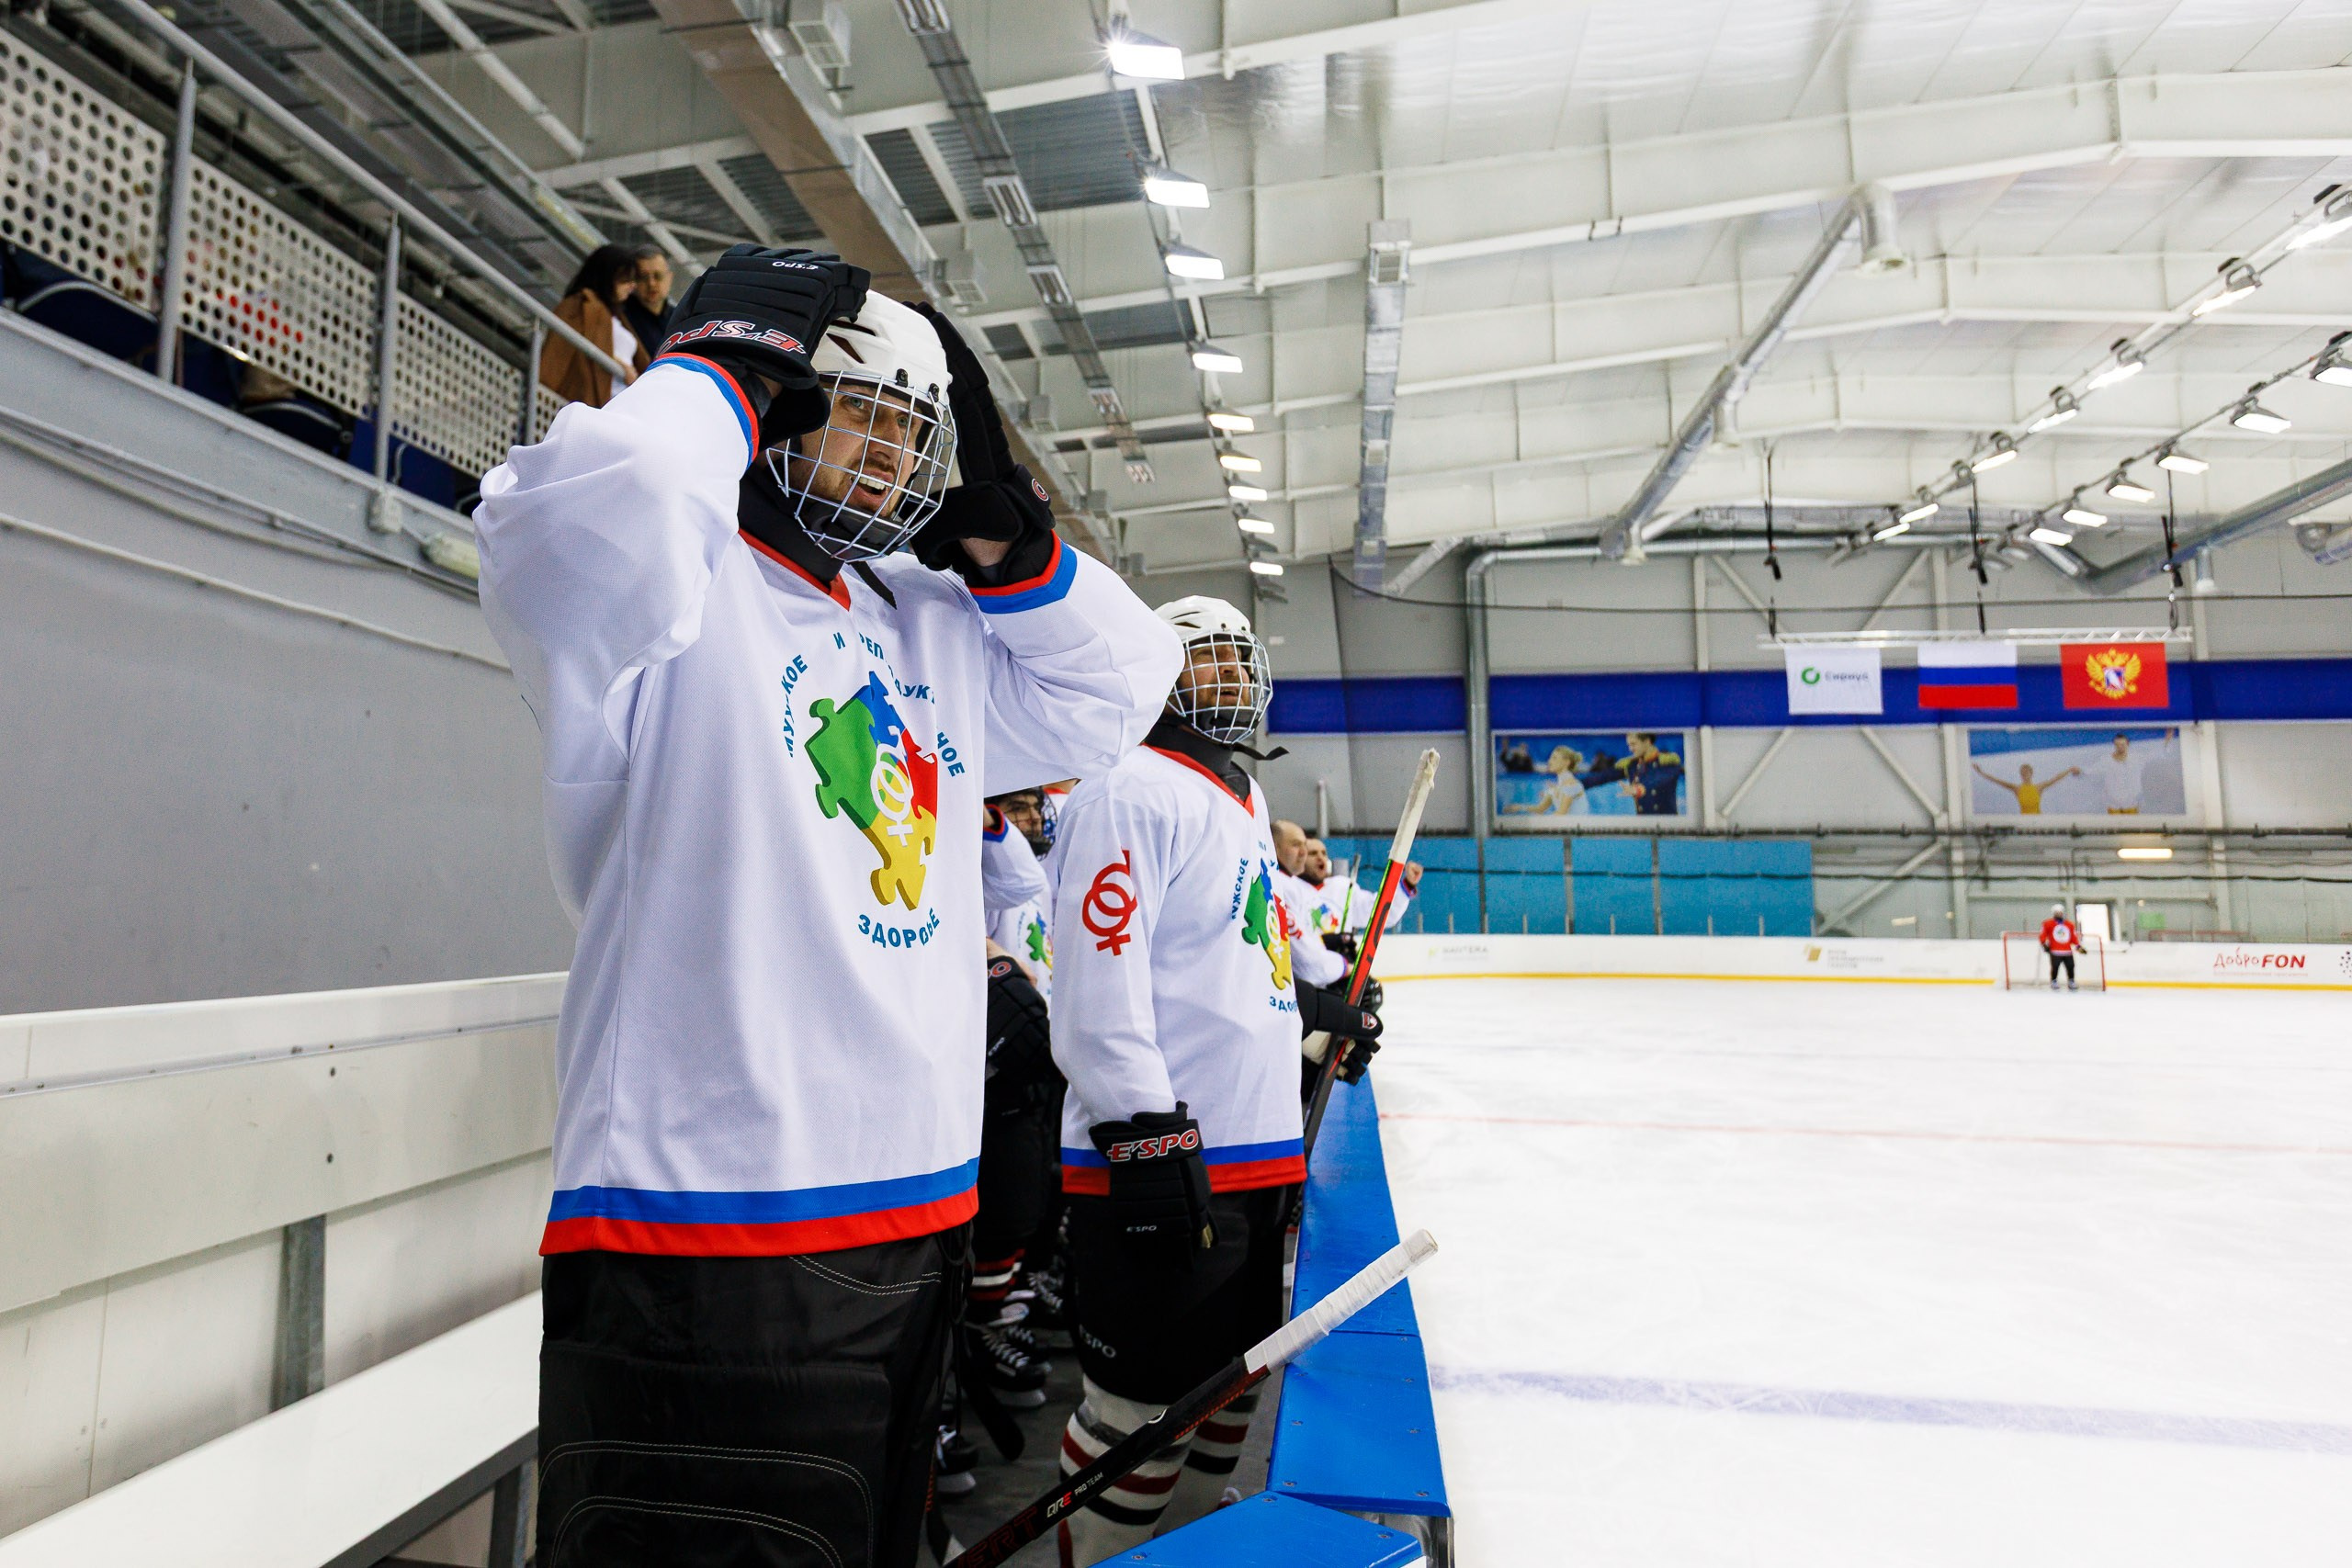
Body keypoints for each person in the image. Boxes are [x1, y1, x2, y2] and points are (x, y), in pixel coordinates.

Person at [474, 243, 1182, 1568]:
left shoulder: (930, 620)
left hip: (915, 1236)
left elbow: (1124, 687)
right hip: (709, 1245)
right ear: (769, 406)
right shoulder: (657, 595)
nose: (891, 453)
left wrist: (1015, 545)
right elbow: (613, 489)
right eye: (859, 409)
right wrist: (713, 361)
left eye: (916, 431)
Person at [1047, 598, 1378, 1563]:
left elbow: (1254, 940)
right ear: (1154, 672)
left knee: (1234, 1376)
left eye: (1239, 660)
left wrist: (1328, 1005)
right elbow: (1098, 986)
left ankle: (1197, 1542)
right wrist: (1143, 1131)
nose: (1230, 678)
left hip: (1255, 1154)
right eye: (1206, 660)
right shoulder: (1126, 789)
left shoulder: (1234, 796)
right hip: (1161, 1159)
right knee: (1139, 1407)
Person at [538, 243, 651, 409]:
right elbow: (556, 358)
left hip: (617, 407)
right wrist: (617, 363)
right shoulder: (579, 305)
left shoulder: (617, 316)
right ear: (607, 277)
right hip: (594, 405)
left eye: (633, 279)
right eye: (625, 279)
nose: (632, 285)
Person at [1301, 836, 1420, 944]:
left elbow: (1379, 912)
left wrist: (1407, 884)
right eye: (1313, 853)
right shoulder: (1289, 889)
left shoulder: (1341, 887)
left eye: (1324, 853)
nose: (1320, 858)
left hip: (1337, 965)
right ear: (1300, 858)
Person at [622, 244, 675, 366]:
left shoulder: (681, 317)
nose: (651, 284)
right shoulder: (621, 317)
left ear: (670, 278)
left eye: (658, 276)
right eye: (643, 277)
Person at [1504, 743, 1588, 816]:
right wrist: (1519, 807)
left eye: (1554, 758)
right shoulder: (1555, 788)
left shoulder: (1571, 785)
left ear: (1566, 762)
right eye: (1550, 758)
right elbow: (1540, 809)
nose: (1549, 761)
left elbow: (1561, 814)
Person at [1974, 759, 2077, 816]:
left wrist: (2069, 770)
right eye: (2022, 773)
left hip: (2038, 820)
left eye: (2026, 773)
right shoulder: (2017, 789)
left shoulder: (2038, 788)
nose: (2024, 775)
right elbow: (1997, 781)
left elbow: (2055, 779)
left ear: (2031, 773)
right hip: (2024, 821)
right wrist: (1981, 773)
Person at [1623, 732, 1685, 817]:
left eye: (1633, 744)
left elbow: (1658, 780)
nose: (1630, 749)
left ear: (1647, 742)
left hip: (1667, 824)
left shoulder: (1668, 762)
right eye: (1629, 745)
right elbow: (1607, 775)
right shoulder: (1632, 766)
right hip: (1643, 824)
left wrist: (1638, 790)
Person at [2094, 732, 2148, 815]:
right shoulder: (2106, 760)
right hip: (2113, 805)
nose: (2120, 747)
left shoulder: (2136, 759)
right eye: (2117, 745)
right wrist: (2080, 770)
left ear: (2127, 744)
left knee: (2131, 827)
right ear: (2114, 745)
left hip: (2131, 805)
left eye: (2122, 744)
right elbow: (2092, 770)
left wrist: (2167, 742)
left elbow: (2156, 755)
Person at [2041, 903, 2080, 990]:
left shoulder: (2069, 924)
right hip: (2055, 950)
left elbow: (2073, 937)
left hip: (2067, 951)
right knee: (2055, 966)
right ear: (2054, 913)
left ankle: (2071, 981)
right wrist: (2044, 944)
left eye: (2060, 912)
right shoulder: (2048, 923)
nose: (2059, 914)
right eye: (2057, 912)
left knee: (2071, 966)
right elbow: (2043, 934)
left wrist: (2078, 946)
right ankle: (2054, 981)